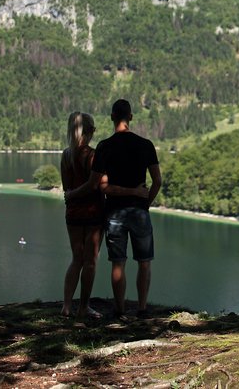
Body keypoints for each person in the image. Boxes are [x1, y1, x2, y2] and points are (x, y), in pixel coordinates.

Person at [89, 99, 162, 319]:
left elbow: (101, 186)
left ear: (112, 117)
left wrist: (127, 193)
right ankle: (141, 309)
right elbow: (157, 180)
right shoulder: (146, 144)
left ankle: (119, 310)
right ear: (130, 117)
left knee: (118, 263)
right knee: (144, 262)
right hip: (139, 212)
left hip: (114, 213)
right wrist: (144, 201)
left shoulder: (104, 147)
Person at [59, 112, 105, 319]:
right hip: (93, 212)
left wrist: (71, 195)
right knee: (90, 262)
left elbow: (67, 188)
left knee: (76, 259)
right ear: (88, 131)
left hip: (73, 213)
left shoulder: (66, 155)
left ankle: (66, 306)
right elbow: (95, 185)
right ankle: (83, 307)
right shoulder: (93, 155)